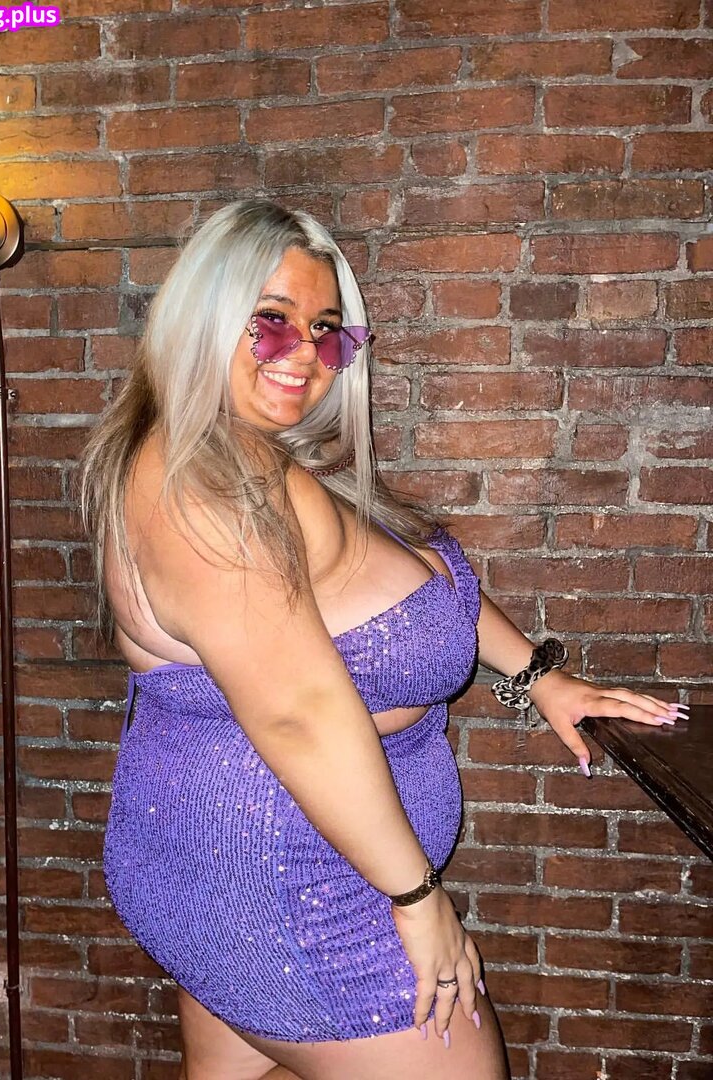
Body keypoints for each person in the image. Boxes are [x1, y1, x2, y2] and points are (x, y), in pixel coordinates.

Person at [78, 199, 686, 1080]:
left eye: (327, 331)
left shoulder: (248, 457)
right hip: (296, 886)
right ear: (203, 316)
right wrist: (417, 897)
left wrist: (539, 675)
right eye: (271, 321)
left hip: (236, 866)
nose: (304, 353)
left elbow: (416, 591)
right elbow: (297, 713)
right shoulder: (210, 486)